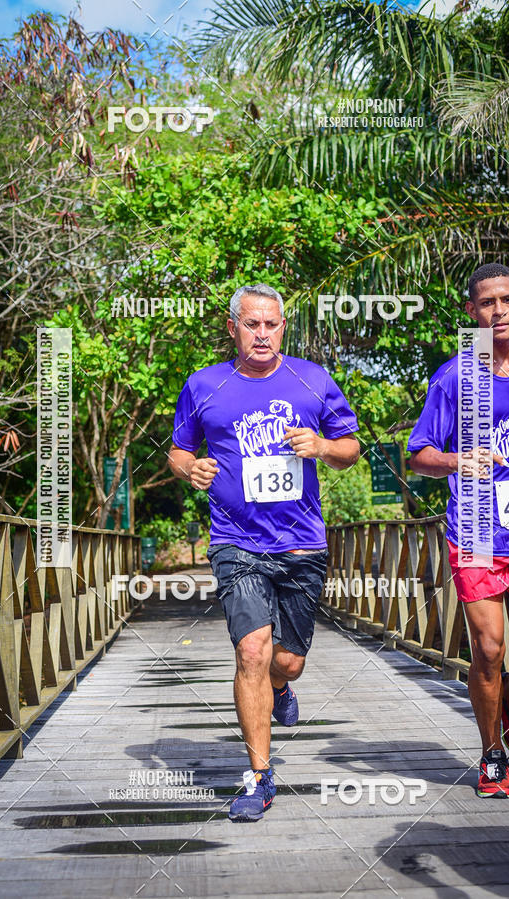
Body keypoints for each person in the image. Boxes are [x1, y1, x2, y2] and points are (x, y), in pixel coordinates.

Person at [169, 284, 359, 821]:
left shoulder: (312, 379)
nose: (262, 334)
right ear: (233, 327)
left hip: (301, 541)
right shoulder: (204, 385)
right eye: (251, 324)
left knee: (286, 662)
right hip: (236, 541)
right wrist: (191, 469)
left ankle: (280, 688)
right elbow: (179, 451)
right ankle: (258, 777)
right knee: (252, 651)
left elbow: (350, 448)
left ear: (282, 327)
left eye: (271, 325)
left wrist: (322, 446)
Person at [408, 262, 509, 799]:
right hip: (475, 527)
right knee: (490, 648)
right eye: (485, 303)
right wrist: (457, 461)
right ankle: (492, 754)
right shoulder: (457, 375)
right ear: (471, 313)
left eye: (506, 299)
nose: (496, 310)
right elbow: (418, 456)